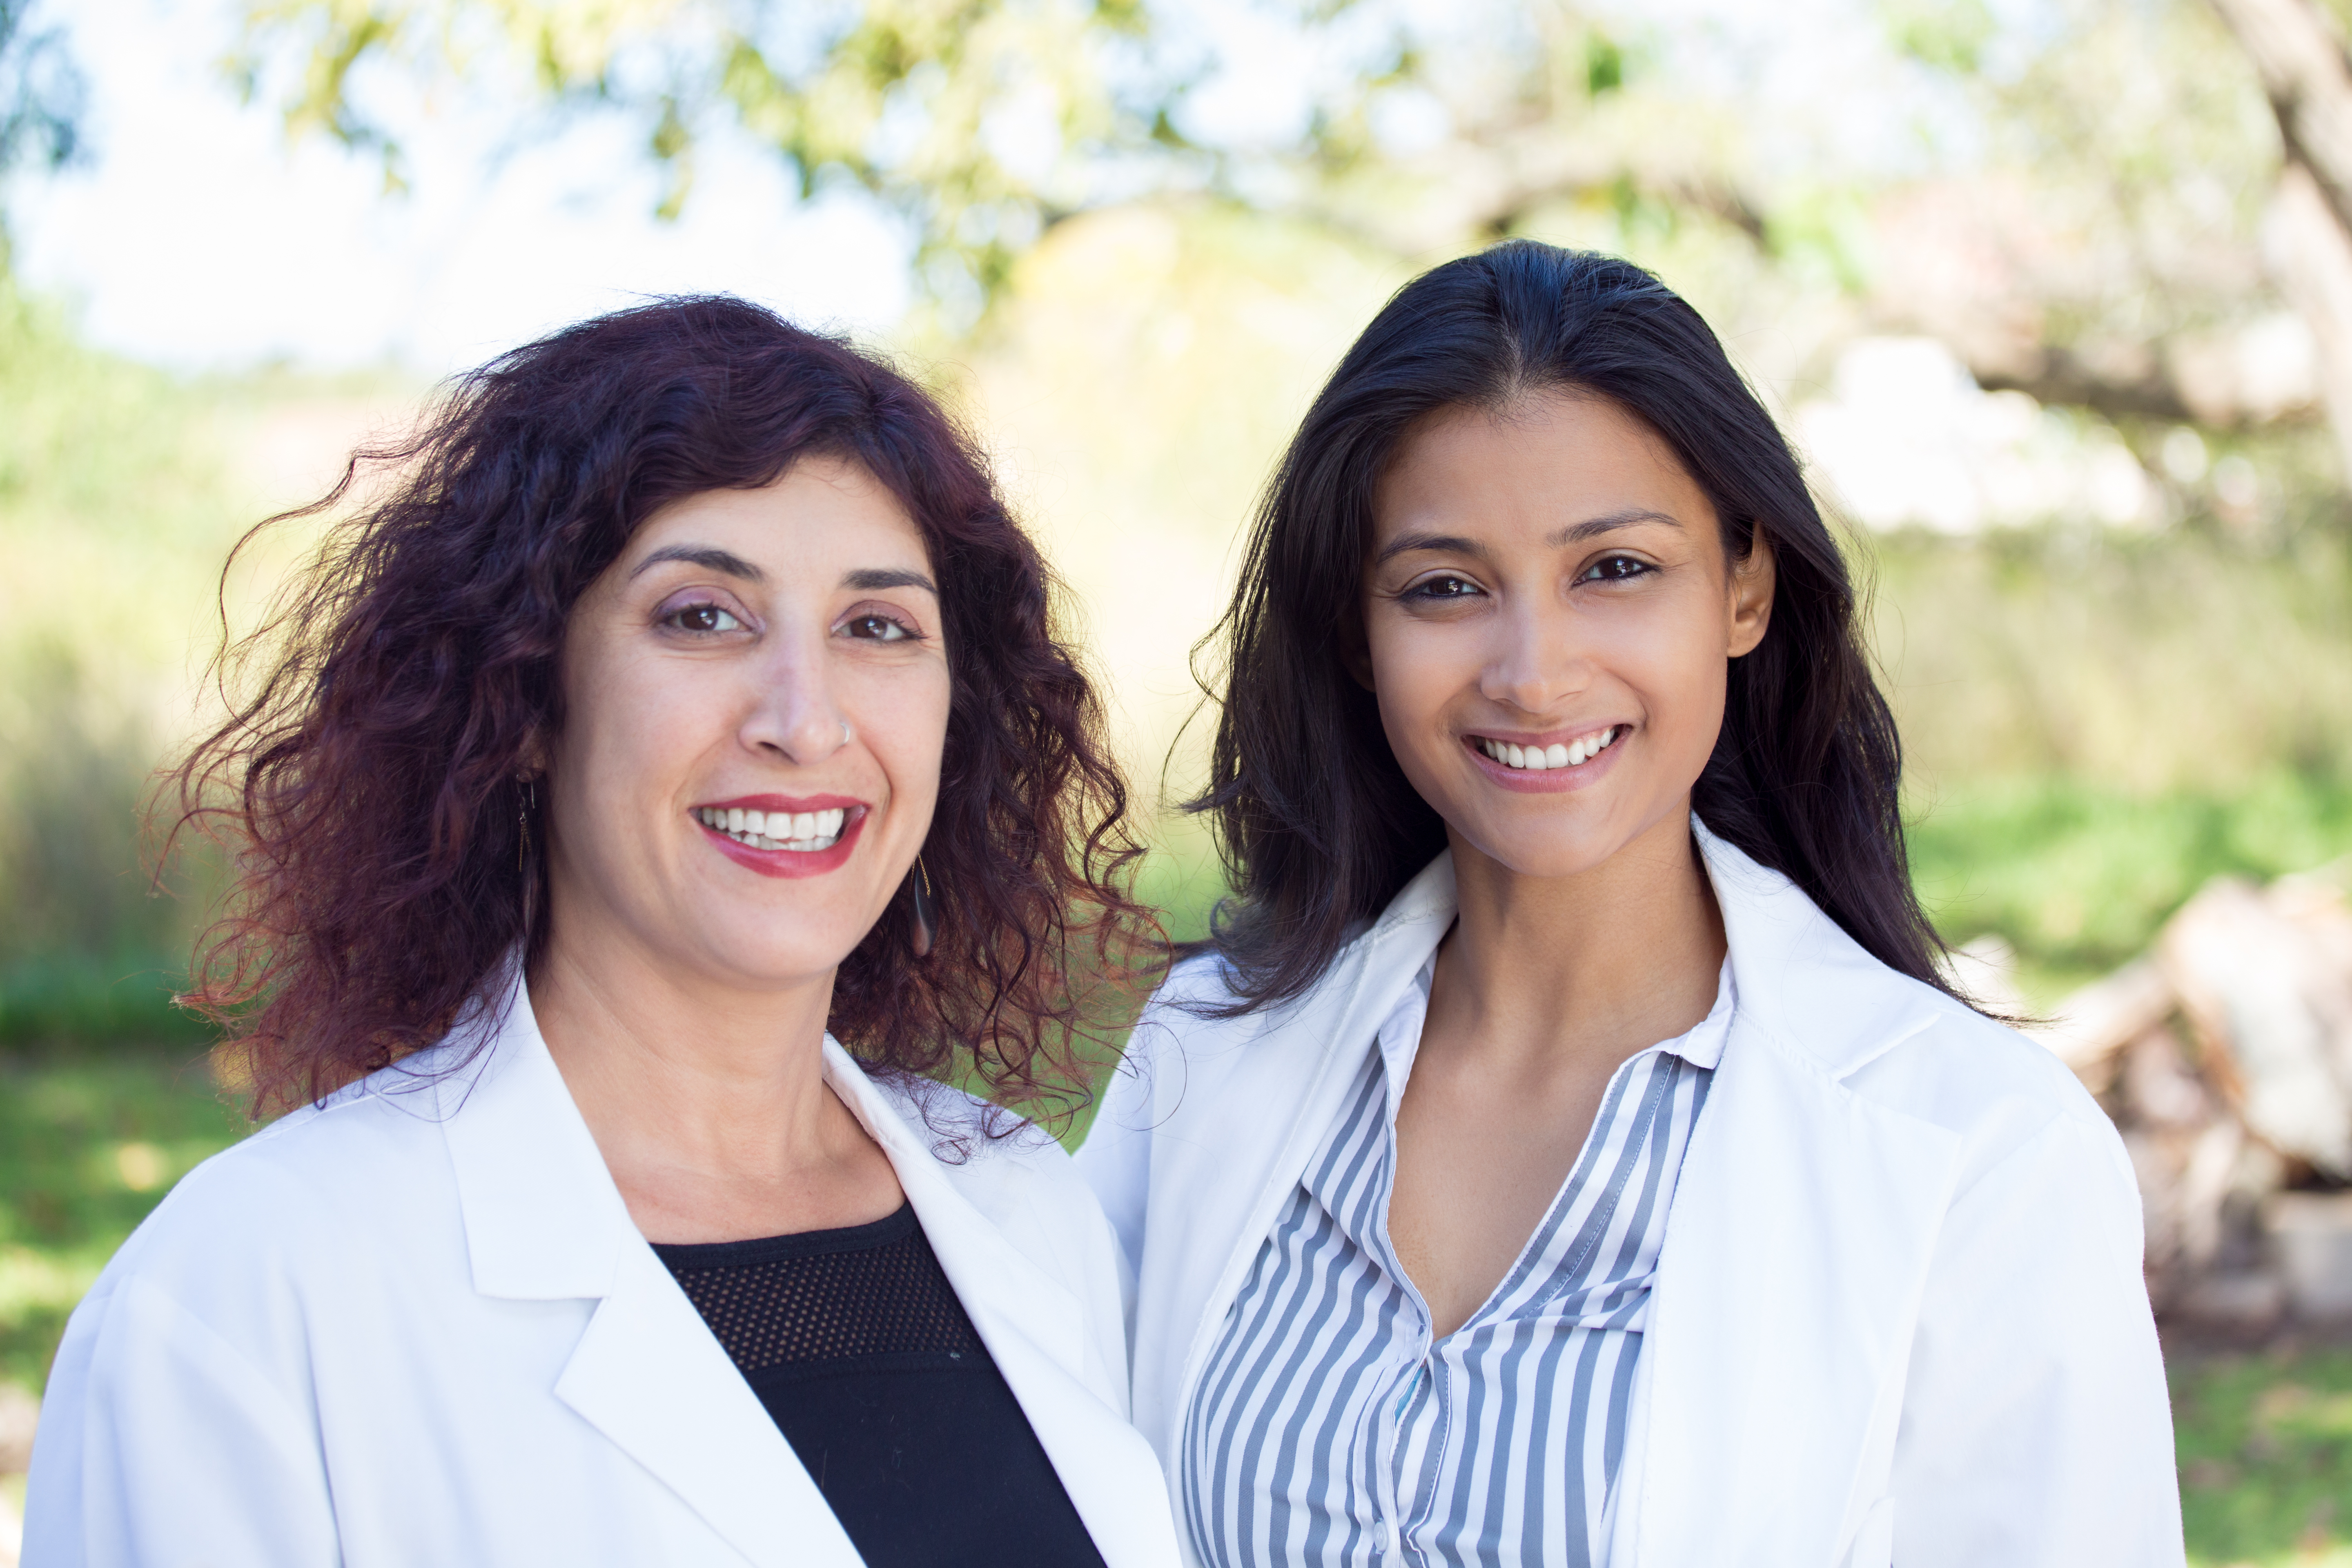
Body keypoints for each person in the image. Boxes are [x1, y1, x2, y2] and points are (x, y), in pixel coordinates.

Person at [26, 297, 1181, 1568]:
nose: (806, 720)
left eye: (877, 627)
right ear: (524, 697)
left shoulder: (1020, 1205)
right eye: (702, 616)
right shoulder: (250, 1294)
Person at [1076, 242, 2183, 1568]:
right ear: (1359, 635)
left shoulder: (1986, 1157)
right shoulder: (1204, 1056)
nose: (1533, 674)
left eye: (1614, 569)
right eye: (1446, 587)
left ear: (1745, 588)